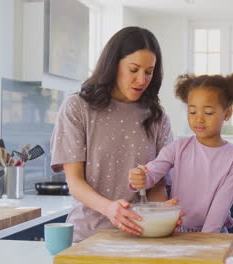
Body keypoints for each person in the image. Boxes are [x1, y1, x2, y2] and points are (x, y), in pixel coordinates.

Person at [50, 26, 181, 242]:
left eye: (149, 72)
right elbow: (75, 182)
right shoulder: (77, 107)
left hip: (141, 238)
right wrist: (110, 209)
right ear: (113, 65)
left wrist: (162, 215)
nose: (141, 80)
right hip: (87, 238)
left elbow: (157, 186)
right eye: (134, 69)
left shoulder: (157, 118)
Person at [129, 72, 233, 233]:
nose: (198, 119)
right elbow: (153, 172)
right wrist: (140, 177)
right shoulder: (178, 147)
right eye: (192, 112)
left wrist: (206, 242)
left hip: (212, 234)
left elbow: (220, 207)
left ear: (227, 113)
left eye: (208, 113)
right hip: (177, 231)